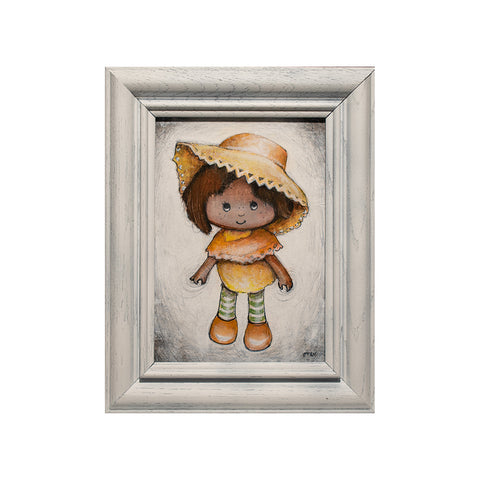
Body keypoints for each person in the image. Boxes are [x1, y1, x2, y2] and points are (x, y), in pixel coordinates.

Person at [173, 133, 308, 351]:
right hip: (230, 280)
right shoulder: (222, 238)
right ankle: (225, 322)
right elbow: (213, 256)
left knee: (256, 303)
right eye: (225, 206)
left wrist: (283, 275)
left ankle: (258, 326)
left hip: (257, 280)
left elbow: (271, 258)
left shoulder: (262, 238)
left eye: (254, 205)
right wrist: (202, 273)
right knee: (227, 298)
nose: (241, 214)